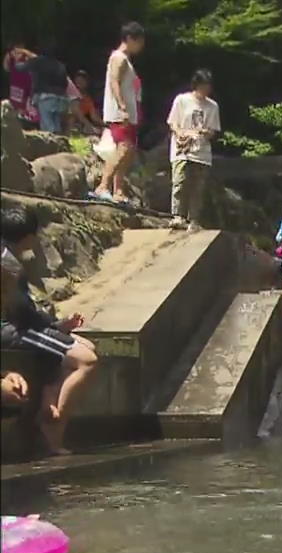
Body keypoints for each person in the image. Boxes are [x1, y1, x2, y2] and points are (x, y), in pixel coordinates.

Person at [0, 207, 99, 455]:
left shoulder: (9, 257)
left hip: (23, 325)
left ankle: (50, 392)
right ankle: (53, 422)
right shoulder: (8, 263)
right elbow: (22, 313)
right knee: (87, 361)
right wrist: (55, 326)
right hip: (14, 330)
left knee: (87, 347)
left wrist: (57, 327)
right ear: (28, 237)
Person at [91, 22, 145, 205]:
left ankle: (118, 190)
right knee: (124, 148)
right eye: (139, 41)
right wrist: (122, 107)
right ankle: (102, 186)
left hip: (129, 113)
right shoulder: (119, 58)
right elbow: (114, 81)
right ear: (130, 39)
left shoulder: (126, 60)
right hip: (119, 113)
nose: (141, 46)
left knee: (129, 152)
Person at [166, 69, 220, 229]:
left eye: (208, 86)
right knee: (180, 182)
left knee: (198, 188)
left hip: (201, 151)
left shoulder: (212, 106)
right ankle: (177, 216)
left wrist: (205, 133)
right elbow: (172, 122)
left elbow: (213, 130)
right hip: (182, 149)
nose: (206, 89)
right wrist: (180, 133)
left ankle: (194, 219)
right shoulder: (182, 100)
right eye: (203, 85)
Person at [9, 42, 69, 133]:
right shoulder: (60, 65)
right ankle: (59, 144)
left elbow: (19, 68)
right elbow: (65, 83)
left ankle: (50, 146)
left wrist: (17, 58)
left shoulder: (38, 61)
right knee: (56, 124)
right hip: (61, 98)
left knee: (47, 127)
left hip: (46, 97)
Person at [3, 43, 40, 127]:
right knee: (15, 108)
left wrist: (25, 52)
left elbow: (38, 60)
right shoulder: (11, 60)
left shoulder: (26, 58)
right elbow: (6, 67)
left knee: (26, 108)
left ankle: (26, 125)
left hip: (27, 88)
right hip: (16, 89)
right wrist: (8, 55)